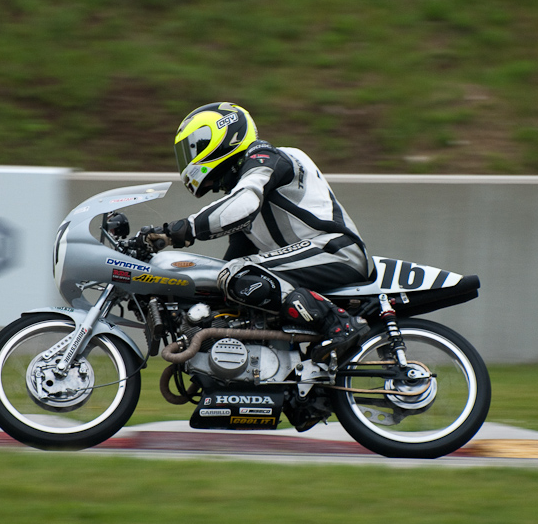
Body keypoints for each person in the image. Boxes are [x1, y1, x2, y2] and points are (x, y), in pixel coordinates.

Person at [149, 102, 373, 362]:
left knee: (240, 273)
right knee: (236, 280)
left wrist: (179, 231)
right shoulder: (245, 187)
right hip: (313, 258)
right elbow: (233, 257)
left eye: (194, 147)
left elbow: (243, 204)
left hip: (335, 251)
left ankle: (340, 323)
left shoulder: (266, 158)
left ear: (223, 135)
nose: (188, 159)